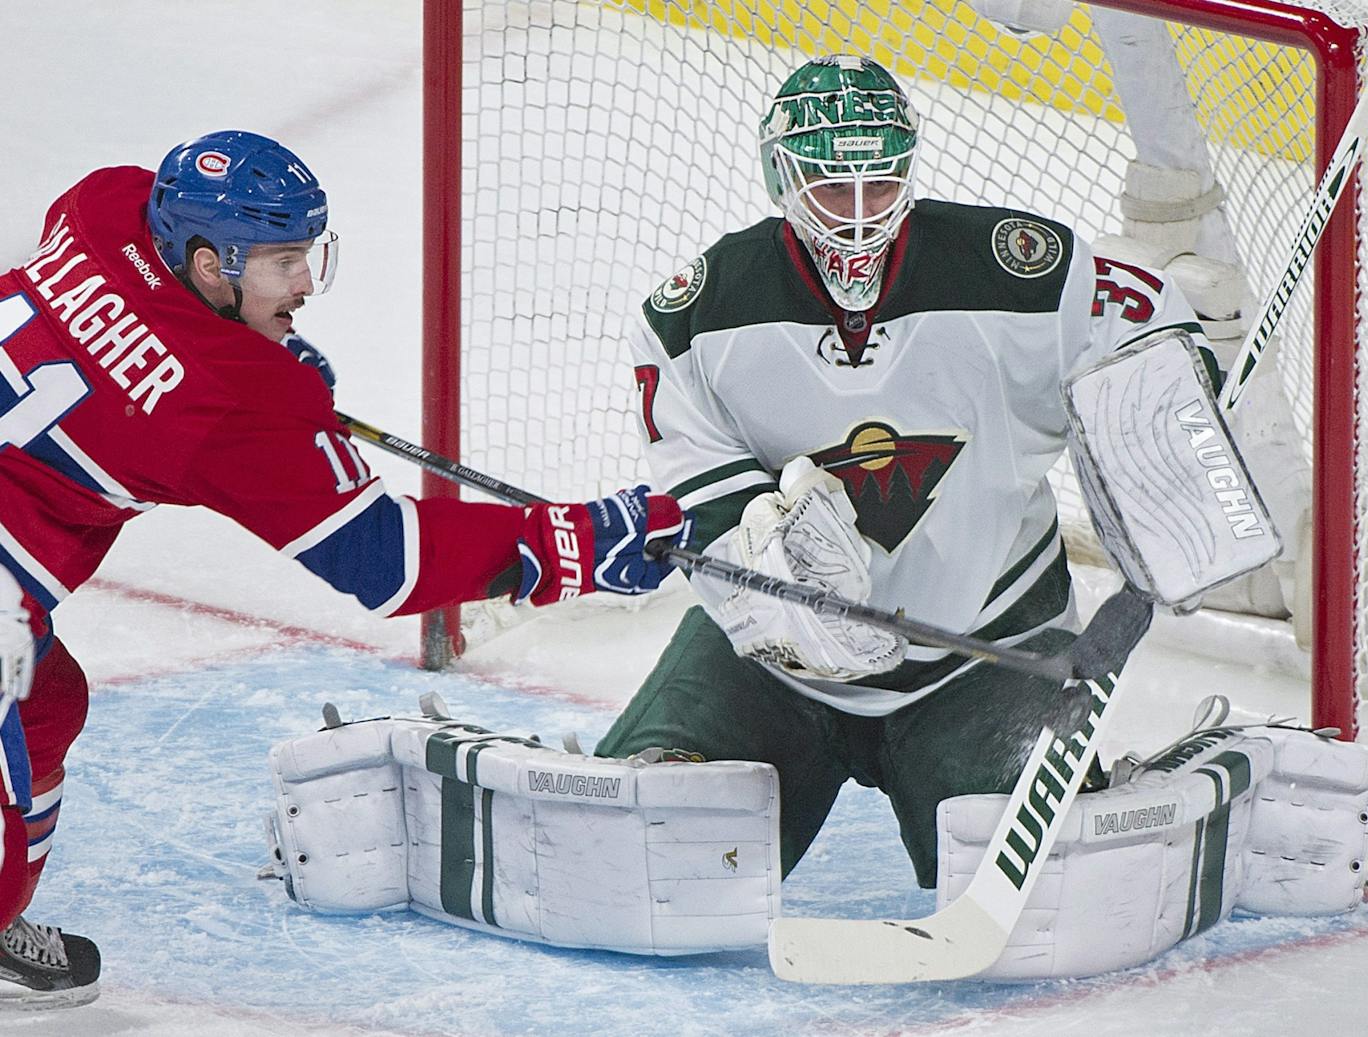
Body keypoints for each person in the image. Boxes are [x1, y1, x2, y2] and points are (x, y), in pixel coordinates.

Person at [0, 130, 684, 1008]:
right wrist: (566, 544)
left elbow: (128, 335)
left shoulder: (104, 206)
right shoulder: (228, 401)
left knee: (50, 701)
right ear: (211, 263)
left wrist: (267, 369)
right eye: (285, 261)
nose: (307, 284)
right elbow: (385, 565)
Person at [597, 56, 1222, 893]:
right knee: (649, 856)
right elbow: (704, 499)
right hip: (777, 665)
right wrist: (775, 567)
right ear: (782, 175)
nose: (859, 219)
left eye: (880, 185)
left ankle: (1186, 775)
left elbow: (1159, 326)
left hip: (991, 648)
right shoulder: (695, 323)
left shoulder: (1018, 274)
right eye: (833, 190)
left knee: (1037, 886)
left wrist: (1174, 406)